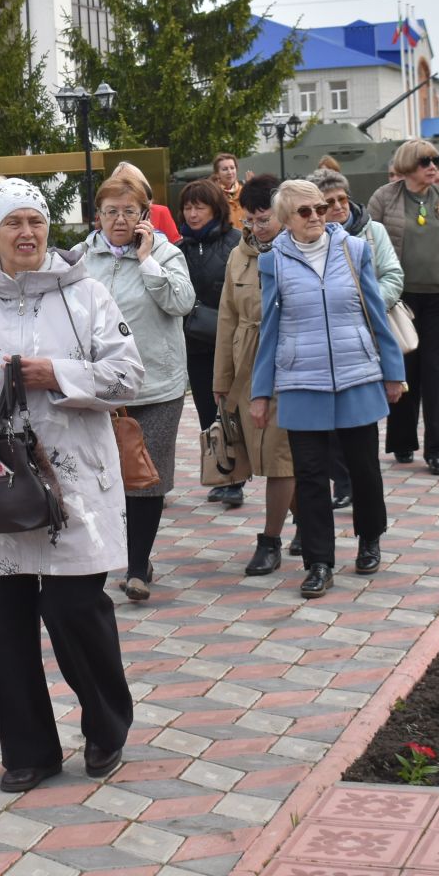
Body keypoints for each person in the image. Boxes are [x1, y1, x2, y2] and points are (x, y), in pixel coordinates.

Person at [0, 179, 143, 792]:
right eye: (12, 224)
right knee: (7, 619)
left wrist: (57, 374)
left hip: (76, 484)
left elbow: (129, 376)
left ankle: (105, 726)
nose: (26, 235)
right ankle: (29, 749)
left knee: (75, 608)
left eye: (35, 223)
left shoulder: (86, 291)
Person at [250, 182, 406, 599]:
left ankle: (370, 538)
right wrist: (260, 393)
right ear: (285, 219)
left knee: (364, 469)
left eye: (320, 208)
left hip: (356, 375)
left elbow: (377, 313)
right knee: (312, 476)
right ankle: (319, 562)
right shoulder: (273, 263)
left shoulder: (354, 250)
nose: (317, 215)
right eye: (305, 211)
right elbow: (269, 330)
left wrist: (393, 371)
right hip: (302, 381)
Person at [77, 173, 195, 601]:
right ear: (97, 217)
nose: (119, 220)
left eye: (129, 211)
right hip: (101, 389)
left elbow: (182, 303)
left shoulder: (164, 252)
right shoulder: (79, 259)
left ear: (145, 215)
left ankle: (135, 567)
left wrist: (147, 261)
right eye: (111, 212)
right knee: (106, 477)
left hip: (156, 386)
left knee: (146, 477)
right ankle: (129, 556)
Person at [368, 142, 439, 475]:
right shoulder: (385, 197)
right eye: (424, 162)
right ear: (407, 165)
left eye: (435, 161)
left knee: (434, 374)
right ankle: (402, 442)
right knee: (402, 371)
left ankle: (437, 452)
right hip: (402, 301)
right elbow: (366, 242)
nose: (432, 167)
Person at [308, 163, 404, 517]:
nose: (338, 206)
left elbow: (393, 274)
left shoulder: (371, 232)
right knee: (327, 429)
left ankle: (364, 507)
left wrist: (368, 298)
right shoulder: (309, 244)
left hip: (366, 337)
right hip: (323, 346)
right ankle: (342, 482)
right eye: (329, 201)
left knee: (359, 426)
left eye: (342, 199)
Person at [212, 175, 297, 575]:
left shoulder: (299, 251)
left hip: (289, 365)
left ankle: (270, 540)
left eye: (263, 219)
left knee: (280, 458)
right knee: (262, 455)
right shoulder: (239, 255)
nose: (255, 228)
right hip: (247, 368)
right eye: (249, 220)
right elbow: (227, 319)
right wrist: (221, 380)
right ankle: (309, 523)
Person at [179, 178, 244, 508]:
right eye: (187, 207)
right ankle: (226, 476)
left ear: (215, 208)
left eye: (199, 207)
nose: (192, 214)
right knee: (208, 412)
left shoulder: (236, 242)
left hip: (232, 344)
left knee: (233, 411)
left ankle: (238, 475)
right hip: (197, 345)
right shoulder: (179, 249)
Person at [109, 159, 178, 237]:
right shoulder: (106, 214)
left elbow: (174, 244)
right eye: (120, 184)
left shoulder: (160, 212)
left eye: (131, 183)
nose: (125, 188)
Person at [212, 152, 247, 227]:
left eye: (232, 168)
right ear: (217, 173)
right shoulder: (212, 195)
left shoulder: (245, 192)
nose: (230, 172)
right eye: (225, 169)